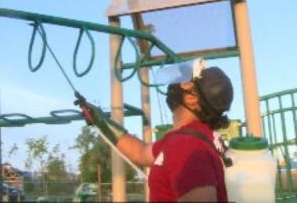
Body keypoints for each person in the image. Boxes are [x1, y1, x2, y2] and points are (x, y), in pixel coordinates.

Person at [78, 66, 233, 202]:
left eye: (185, 81)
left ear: (192, 98)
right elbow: (140, 152)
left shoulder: (186, 144)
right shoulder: (189, 137)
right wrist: (101, 122)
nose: (176, 85)